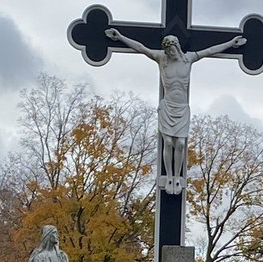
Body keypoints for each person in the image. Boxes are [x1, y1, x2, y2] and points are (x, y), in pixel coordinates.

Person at [103, 29, 246, 194]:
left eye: (172, 49)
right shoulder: (162, 59)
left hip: (182, 108)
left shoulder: (189, 59)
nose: (170, 52)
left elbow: (211, 50)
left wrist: (230, 43)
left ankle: (178, 177)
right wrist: (120, 37)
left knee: (181, 144)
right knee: (169, 143)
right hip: (167, 106)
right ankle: (169, 176)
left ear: (177, 47)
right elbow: (141, 47)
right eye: (168, 50)